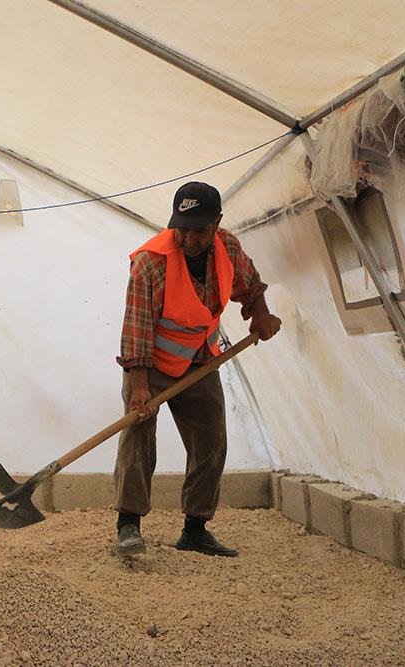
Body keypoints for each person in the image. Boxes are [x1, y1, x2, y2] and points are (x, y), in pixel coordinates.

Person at [113, 182, 281, 557]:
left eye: (198, 230)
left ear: (217, 223)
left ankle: (195, 529)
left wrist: (262, 313)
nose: (189, 239)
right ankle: (128, 525)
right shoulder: (150, 262)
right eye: (182, 229)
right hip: (150, 365)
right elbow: (136, 330)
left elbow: (249, 286)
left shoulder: (228, 247)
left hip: (200, 359)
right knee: (138, 438)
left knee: (210, 440)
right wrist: (140, 388)